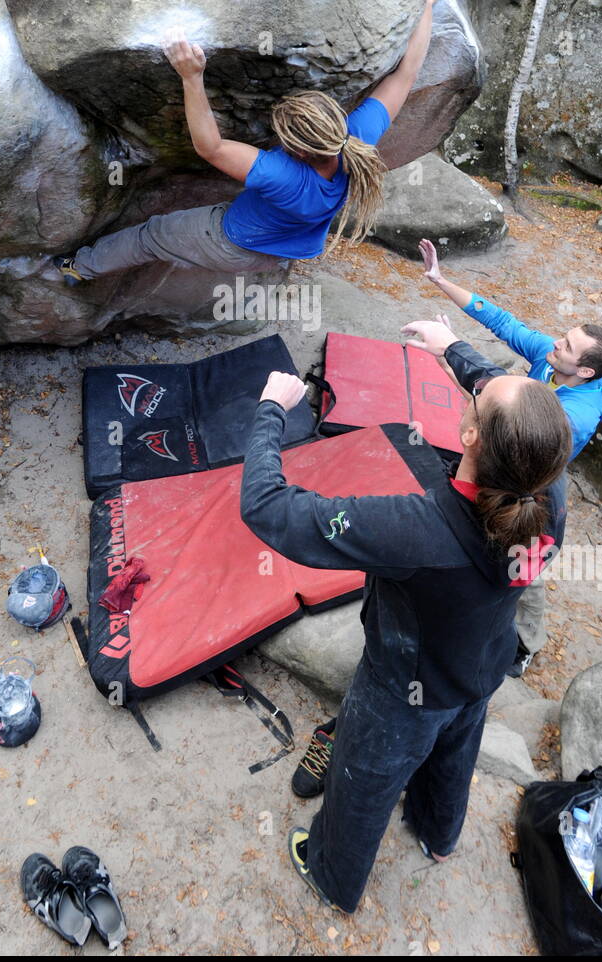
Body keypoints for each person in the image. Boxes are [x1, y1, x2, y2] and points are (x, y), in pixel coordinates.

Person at [240, 359, 571, 915]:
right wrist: (453, 348)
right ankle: (438, 837)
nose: (480, 385)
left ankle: (331, 875)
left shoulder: (413, 530)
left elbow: (269, 508)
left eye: (481, 393)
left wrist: (271, 409)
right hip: (481, 668)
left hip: (402, 691)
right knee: (454, 757)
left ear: (469, 434)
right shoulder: (549, 494)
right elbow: (519, 416)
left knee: (361, 782)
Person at [52, 0, 446, 285]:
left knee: (151, 235)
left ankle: (78, 267)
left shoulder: (281, 175)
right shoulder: (355, 139)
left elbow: (211, 148)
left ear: (301, 151)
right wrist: (427, 3)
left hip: (233, 242)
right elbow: (405, 75)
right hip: (288, 247)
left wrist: (192, 76)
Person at [413, 241, 602, 676]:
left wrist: (454, 353)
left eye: (565, 344)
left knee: (526, 564)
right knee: (479, 538)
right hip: (505, 458)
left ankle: (525, 643)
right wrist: (440, 279)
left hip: (534, 486)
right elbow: (504, 322)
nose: (555, 341)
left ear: (584, 371)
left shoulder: (576, 415)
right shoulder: (553, 363)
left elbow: (515, 412)